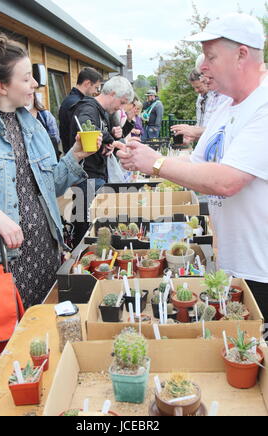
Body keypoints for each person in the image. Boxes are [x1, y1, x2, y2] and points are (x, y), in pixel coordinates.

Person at [117, 13, 268, 323]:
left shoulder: (263, 105)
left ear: (241, 54)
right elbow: (198, 163)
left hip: (261, 272)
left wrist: (156, 163)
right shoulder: (227, 105)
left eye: (211, 56)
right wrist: (143, 156)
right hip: (235, 264)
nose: (202, 66)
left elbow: (227, 181)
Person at [0, 31, 102, 309]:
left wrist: (76, 154)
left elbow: (51, 187)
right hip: (1, 260)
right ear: (2, 86)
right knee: (10, 339)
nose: (35, 84)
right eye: (26, 78)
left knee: (44, 330)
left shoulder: (34, 125)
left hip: (44, 252)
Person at [68, 75, 134, 247]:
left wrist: (106, 143)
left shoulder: (100, 111)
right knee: (86, 228)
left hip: (94, 175)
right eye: (121, 102)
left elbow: (94, 139)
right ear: (112, 93)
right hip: (86, 177)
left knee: (94, 224)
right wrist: (110, 140)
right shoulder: (89, 107)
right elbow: (86, 127)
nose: (120, 107)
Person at [172, 56, 230, 142]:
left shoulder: (228, 95)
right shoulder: (210, 96)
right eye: (202, 75)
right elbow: (205, 126)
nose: (202, 79)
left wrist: (194, 131)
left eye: (204, 74)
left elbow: (224, 130)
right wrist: (192, 135)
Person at [59, 67, 103, 153]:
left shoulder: (70, 100)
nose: (96, 92)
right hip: (75, 155)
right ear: (87, 83)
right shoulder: (77, 103)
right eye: (96, 87)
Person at [27, 91, 61, 160]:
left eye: (30, 95)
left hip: (48, 158)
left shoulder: (45, 115)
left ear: (34, 97)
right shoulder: (17, 118)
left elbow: (55, 138)